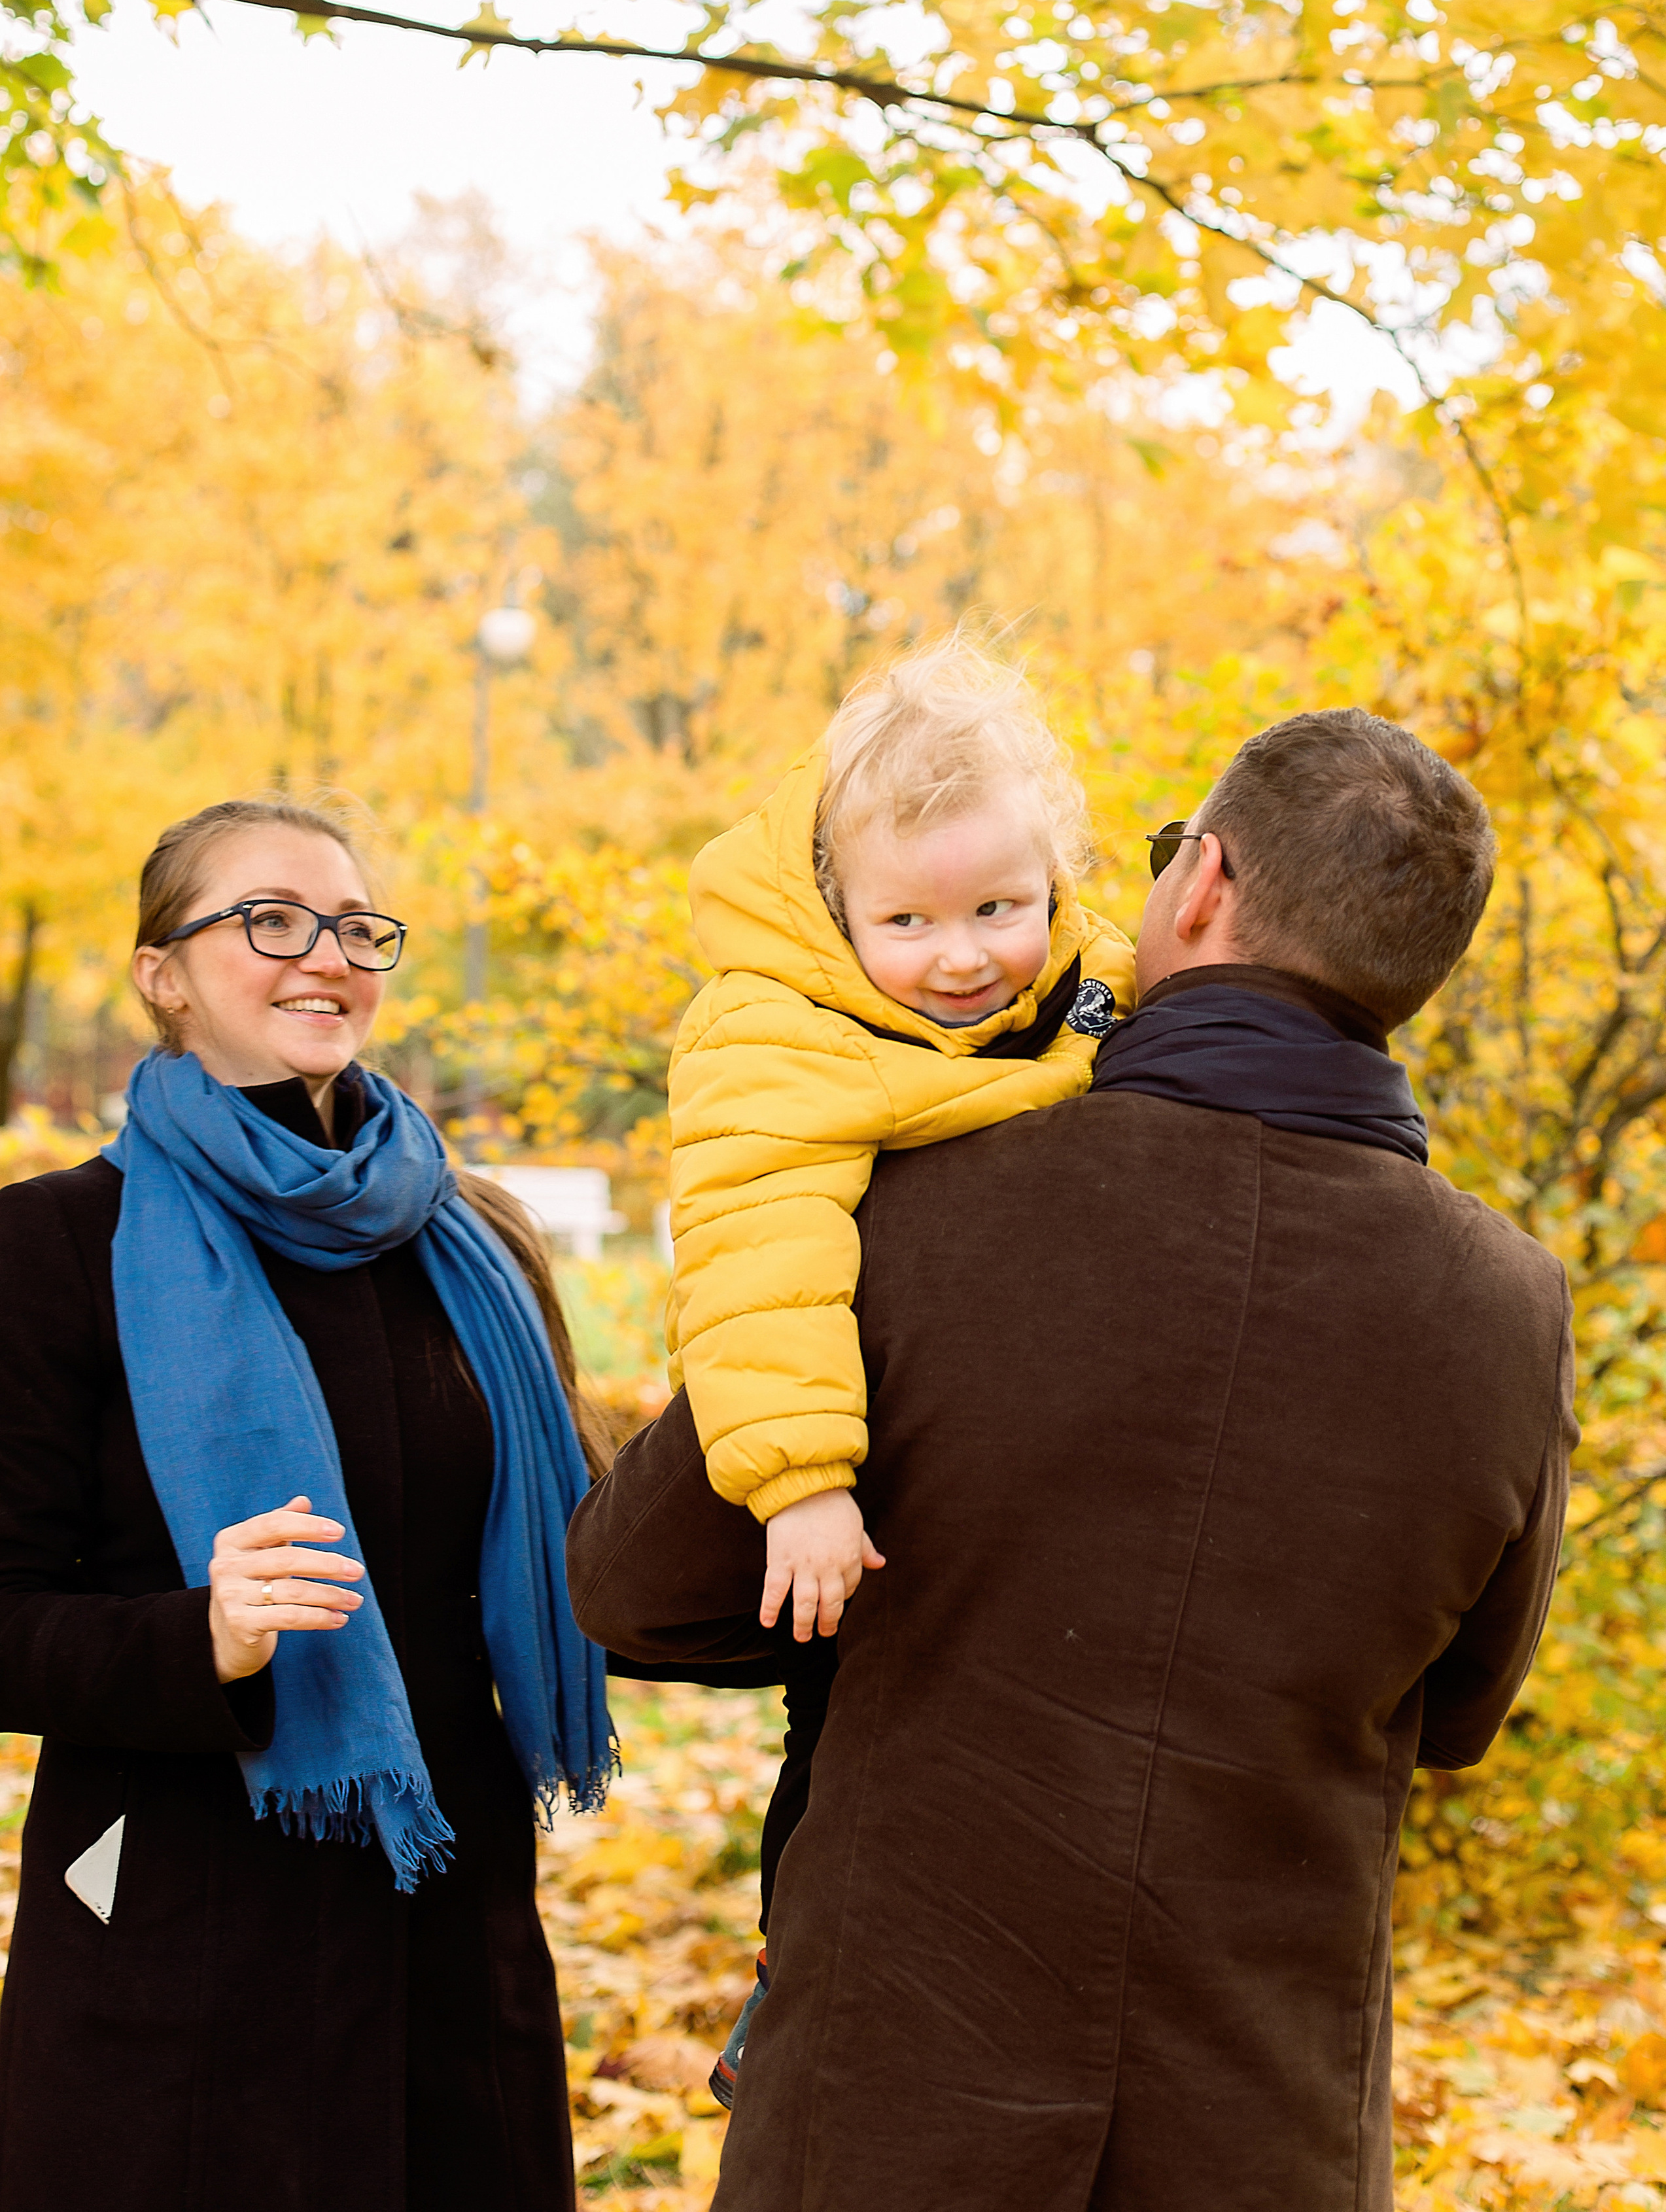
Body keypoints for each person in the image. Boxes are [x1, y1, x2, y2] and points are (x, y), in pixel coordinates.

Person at [570, 707, 1578, 2212]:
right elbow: (1457, 1710)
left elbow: (635, 1591)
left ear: (1202, 886)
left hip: (894, 2104)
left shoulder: (905, 1206)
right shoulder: (1509, 1311)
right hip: (1261, 2123)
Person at [0, 796, 613, 2212]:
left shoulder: (477, 1242)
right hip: (181, 1925)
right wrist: (197, 1639)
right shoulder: (51, 1249)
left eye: (355, 928)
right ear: (163, 974)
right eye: (267, 921)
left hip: (448, 1918)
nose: (322, 957)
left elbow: (583, 1553)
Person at [660, 637, 1134, 2092]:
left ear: (1052, 879)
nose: (961, 957)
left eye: (999, 905)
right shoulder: (772, 1030)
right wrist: (801, 1480)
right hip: (856, 1493)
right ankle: (787, 1991)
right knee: (844, 1740)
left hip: (1031, 1480)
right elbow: (752, 1252)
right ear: (832, 911)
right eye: (908, 922)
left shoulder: (1092, 987)